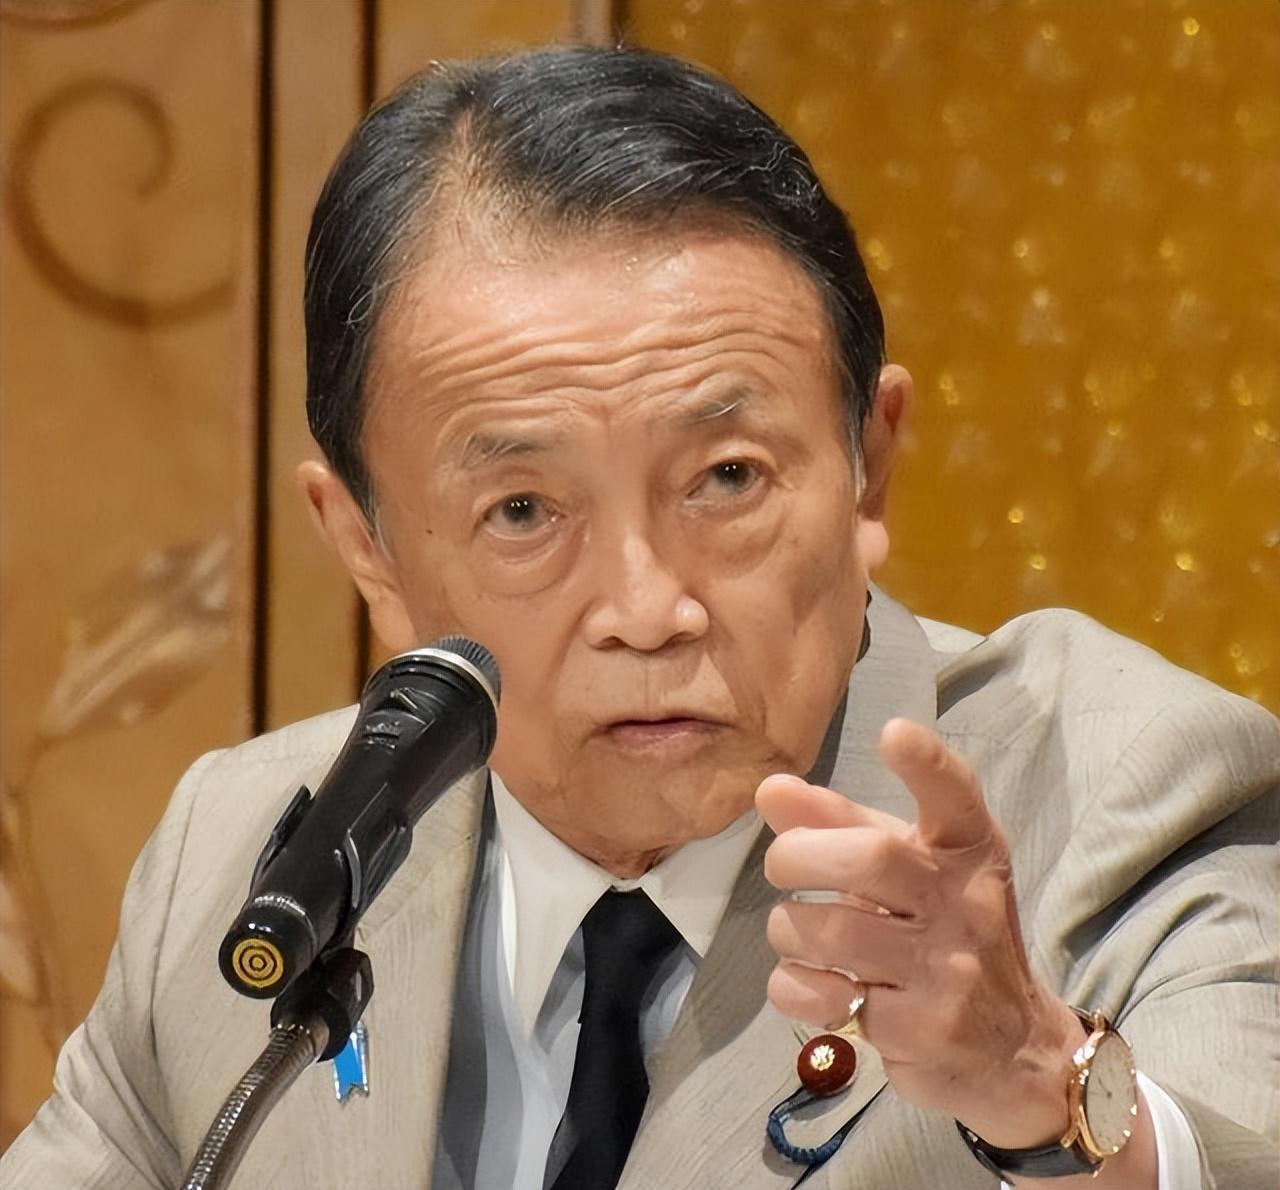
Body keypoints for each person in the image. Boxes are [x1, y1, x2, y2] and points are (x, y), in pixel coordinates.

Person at [4, 46, 1276, 1190]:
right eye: (521, 509)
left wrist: (1041, 1091)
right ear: (366, 549)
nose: (646, 608)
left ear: (867, 468)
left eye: (725, 477)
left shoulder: (1120, 784)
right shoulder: (249, 855)